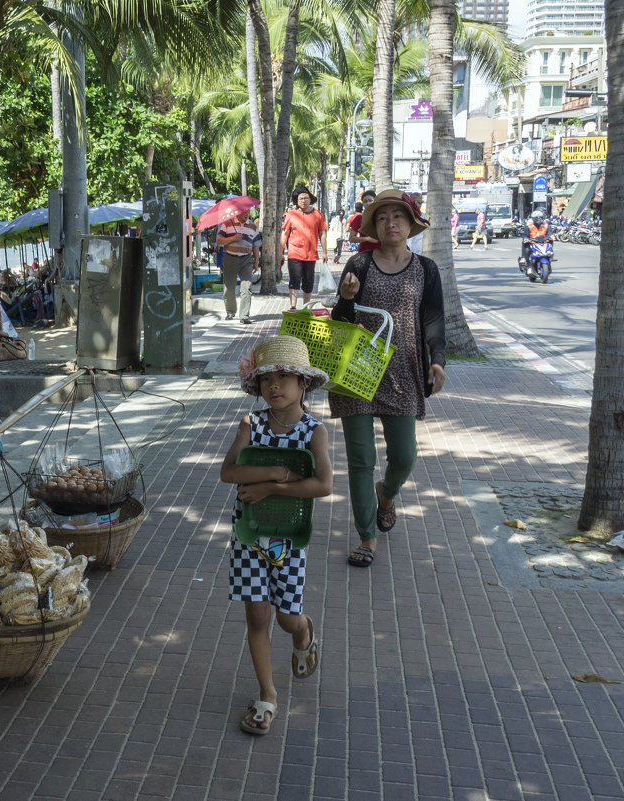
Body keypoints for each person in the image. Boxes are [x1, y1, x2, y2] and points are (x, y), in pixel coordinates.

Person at [221, 335, 333, 736]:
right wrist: (277, 473)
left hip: (289, 539)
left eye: (286, 376)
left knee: (285, 619)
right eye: (268, 377)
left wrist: (273, 488)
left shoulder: (314, 431)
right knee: (257, 614)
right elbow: (229, 472)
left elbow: (322, 485)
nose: (276, 385)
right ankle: (267, 695)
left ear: (304, 384)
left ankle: (304, 631)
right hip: (249, 536)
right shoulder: (250, 424)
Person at [330, 190, 446, 568]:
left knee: (404, 456)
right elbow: (340, 322)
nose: (391, 223)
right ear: (374, 226)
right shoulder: (359, 264)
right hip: (357, 371)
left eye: (399, 216)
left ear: (412, 224)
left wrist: (438, 361)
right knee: (361, 459)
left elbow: (432, 318)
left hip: (404, 371)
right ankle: (366, 536)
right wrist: (346, 298)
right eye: (383, 217)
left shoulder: (426, 269)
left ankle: (387, 493)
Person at [280, 187, 328, 312]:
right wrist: (280, 252)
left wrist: (325, 252)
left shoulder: (317, 214)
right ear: (296, 200)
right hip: (294, 253)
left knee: (308, 282)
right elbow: (284, 234)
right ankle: (293, 306)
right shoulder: (291, 214)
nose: (303, 201)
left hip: (311, 254)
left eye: (306, 198)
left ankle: (306, 307)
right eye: (300, 198)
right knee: (294, 279)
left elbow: (322, 234)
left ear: (310, 199)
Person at [216, 207, 262, 324]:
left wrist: (256, 262)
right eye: (244, 212)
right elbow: (219, 240)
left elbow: (256, 246)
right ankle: (230, 312)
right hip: (230, 258)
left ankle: (244, 316)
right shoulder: (227, 223)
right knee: (229, 288)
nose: (246, 214)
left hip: (246, 259)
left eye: (248, 212)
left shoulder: (253, 226)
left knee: (246, 288)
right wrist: (233, 238)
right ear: (237, 212)